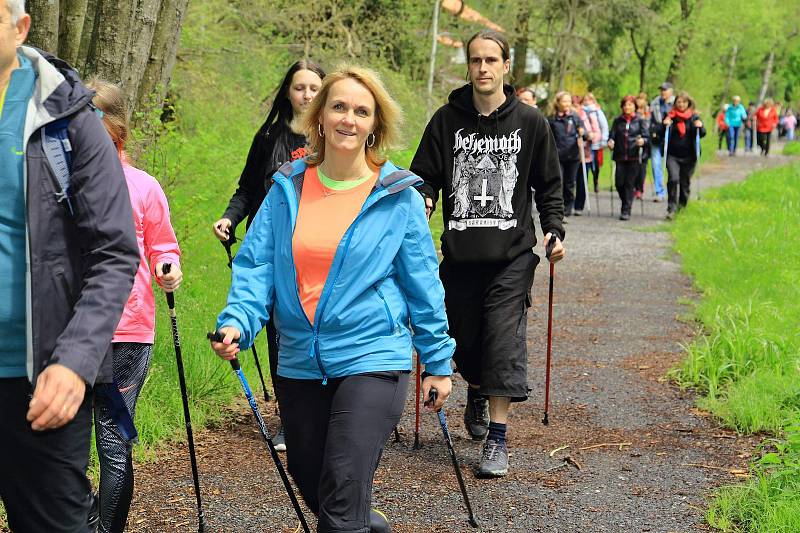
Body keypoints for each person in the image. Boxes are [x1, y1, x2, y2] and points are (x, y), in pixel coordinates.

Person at [210, 64, 455, 533]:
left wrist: (438, 362)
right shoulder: (287, 188)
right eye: (338, 107)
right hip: (301, 359)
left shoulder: (397, 196)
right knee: (316, 483)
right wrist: (238, 321)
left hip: (372, 357)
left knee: (342, 489)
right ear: (318, 117)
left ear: (375, 125)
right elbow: (258, 266)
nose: (349, 119)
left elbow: (422, 284)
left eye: (361, 111)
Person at [0, 3, 140, 531]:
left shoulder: (66, 118)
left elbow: (114, 251)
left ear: (21, 27)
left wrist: (75, 361)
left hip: (41, 381)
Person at [410, 29, 566, 478]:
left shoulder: (531, 122)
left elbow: (548, 186)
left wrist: (554, 231)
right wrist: (424, 198)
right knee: (467, 342)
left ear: (505, 66)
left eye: (491, 60)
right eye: (476, 60)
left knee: (503, 339)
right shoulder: (445, 120)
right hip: (460, 257)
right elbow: (424, 175)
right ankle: (476, 388)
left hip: (511, 255)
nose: (483, 68)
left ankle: (498, 439)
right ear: (469, 65)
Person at [212, 59, 325, 451]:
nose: (307, 94)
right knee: (279, 334)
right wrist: (230, 218)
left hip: (318, 251)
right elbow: (246, 189)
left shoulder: (331, 137)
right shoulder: (268, 137)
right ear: (288, 92)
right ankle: (290, 418)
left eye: (314, 87)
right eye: (300, 87)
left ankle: (324, 409)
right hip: (274, 248)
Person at [87, 79, 183, 533]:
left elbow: (164, 246)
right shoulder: (54, 184)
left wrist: (167, 265)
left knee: (112, 438)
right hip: (66, 332)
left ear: (117, 132)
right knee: (54, 441)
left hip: (126, 334)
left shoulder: (143, 187)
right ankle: (83, 514)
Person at [656, 91, 706, 219]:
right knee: (673, 179)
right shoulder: (670, 117)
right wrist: (664, 125)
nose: (681, 104)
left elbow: (702, 133)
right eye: (679, 102)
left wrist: (700, 126)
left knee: (685, 183)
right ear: (675, 103)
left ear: (688, 103)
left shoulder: (694, 117)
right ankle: (671, 207)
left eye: (684, 102)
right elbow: (660, 133)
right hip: (672, 155)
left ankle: (682, 206)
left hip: (689, 156)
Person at [607, 95, 649, 220]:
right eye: (625, 105)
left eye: (630, 105)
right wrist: (610, 142)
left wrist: (643, 141)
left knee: (629, 184)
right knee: (619, 183)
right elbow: (612, 135)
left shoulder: (640, 120)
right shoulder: (617, 121)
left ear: (635, 107)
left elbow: (647, 138)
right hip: (620, 156)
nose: (627, 107)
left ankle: (626, 209)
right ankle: (626, 201)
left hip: (634, 156)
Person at [548, 90, 589, 216]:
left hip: (573, 156)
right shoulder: (552, 118)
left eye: (569, 101)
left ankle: (568, 207)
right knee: (558, 181)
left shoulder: (575, 116)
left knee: (570, 183)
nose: (567, 104)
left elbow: (586, 135)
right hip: (557, 155)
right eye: (564, 101)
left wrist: (583, 132)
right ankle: (557, 208)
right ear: (558, 102)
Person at [649, 82, 674, 202]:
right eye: (662, 90)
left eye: (665, 90)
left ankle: (672, 190)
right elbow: (649, 119)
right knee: (655, 164)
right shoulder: (655, 103)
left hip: (671, 138)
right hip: (657, 137)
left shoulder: (676, 103)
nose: (663, 92)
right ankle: (659, 191)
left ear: (671, 91)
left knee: (670, 166)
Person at [583, 93, 609, 194]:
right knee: (586, 165)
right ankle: (585, 183)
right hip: (585, 145)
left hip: (596, 143)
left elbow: (604, 126)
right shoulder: (582, 112)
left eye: (589, 99)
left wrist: (603, 140)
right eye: (585, 99)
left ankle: (595, 181)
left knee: (596, 165)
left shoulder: (597, 111)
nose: (587, 101)